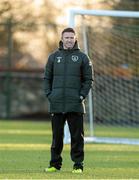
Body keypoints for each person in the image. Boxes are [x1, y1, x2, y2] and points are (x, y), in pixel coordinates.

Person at [44, 27, 93, 173]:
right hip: (57, 103)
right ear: (62, 39)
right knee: (56, 137)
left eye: (72, 37)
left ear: (75, 39)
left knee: (77, 137)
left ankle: (78, 165)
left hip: (75, 104)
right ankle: (54, 164)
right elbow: (47, 78)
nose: (69, 40)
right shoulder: (53, 57)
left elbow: (88, 80)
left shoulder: (83, 58)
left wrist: (81, 96)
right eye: (67, 37)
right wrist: (49, 95)